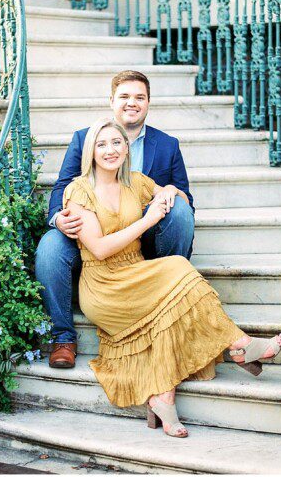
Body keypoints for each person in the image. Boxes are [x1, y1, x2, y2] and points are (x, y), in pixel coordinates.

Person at [65, 117, 281, 438]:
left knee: (170, 303)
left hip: (136, 271)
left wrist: (165, 191)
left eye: (117, 143)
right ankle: (239, 346)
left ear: (127, 149)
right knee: (179, 272)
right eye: (102, 144)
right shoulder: (79, 190)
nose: (110, 150)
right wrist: (148, 219)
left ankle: (163, 397)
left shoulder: (136, 182)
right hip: (103, 285)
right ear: (91, 151)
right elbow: (98, 248)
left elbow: (179, 197)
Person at [36, 70, 196, 368]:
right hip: (94, 232)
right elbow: (64, 185)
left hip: (143, 236)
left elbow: (185, 198)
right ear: (112, 101)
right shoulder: (84, 138)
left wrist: (171, 191)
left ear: (148, 102)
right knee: (49, 247)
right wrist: (58, 218)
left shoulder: (167, 145)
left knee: (182, 212)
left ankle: (169, 295)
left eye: (139, 97)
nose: (131, 103)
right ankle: (62, 337)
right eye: (124, 96)